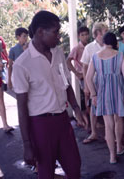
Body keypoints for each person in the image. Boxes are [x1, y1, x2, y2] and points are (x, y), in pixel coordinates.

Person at [13, 11, 86, 179]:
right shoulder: (22, 65)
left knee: (74, 167)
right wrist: (27, 144)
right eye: (55, 32)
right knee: (46, 173)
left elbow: (66, 83)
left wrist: (76, 108)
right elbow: (21, 107)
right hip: (40, 125)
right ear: (40, 32)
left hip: (63, 120)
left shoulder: (58, 53)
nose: (59, 37)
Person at [86, 32, 124, 164]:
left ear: (103, 42)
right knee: (118, 120)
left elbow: (88, 78)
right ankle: (119, 147)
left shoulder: (95, 57)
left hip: (102, 93)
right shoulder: (120, 55)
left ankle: (112, 156)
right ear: (115, 43)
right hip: (118, 92)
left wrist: (93, 94)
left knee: (108, 125)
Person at [80, 22, 108, 144]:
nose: (107, 33)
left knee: (109, 108)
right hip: (94, 83)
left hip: (108, 82)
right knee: (93, 108)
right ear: (98, 33)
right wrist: (87, 85)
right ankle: (94, 133)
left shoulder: (110, 46)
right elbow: (84, 67)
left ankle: (109, 134)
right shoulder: (89, 48)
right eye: (105, 31)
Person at [66, 26, 90, 129]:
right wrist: (77, 73)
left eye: (86, 34)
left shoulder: (90, 46)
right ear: (79, 36)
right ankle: (88, 121)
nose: (85, 37)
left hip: (91, 75)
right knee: (87, 96)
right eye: (82, 35)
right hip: (82, 76)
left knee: (92, 97)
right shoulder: (77, 48)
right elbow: (68, 61)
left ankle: (91, 119)